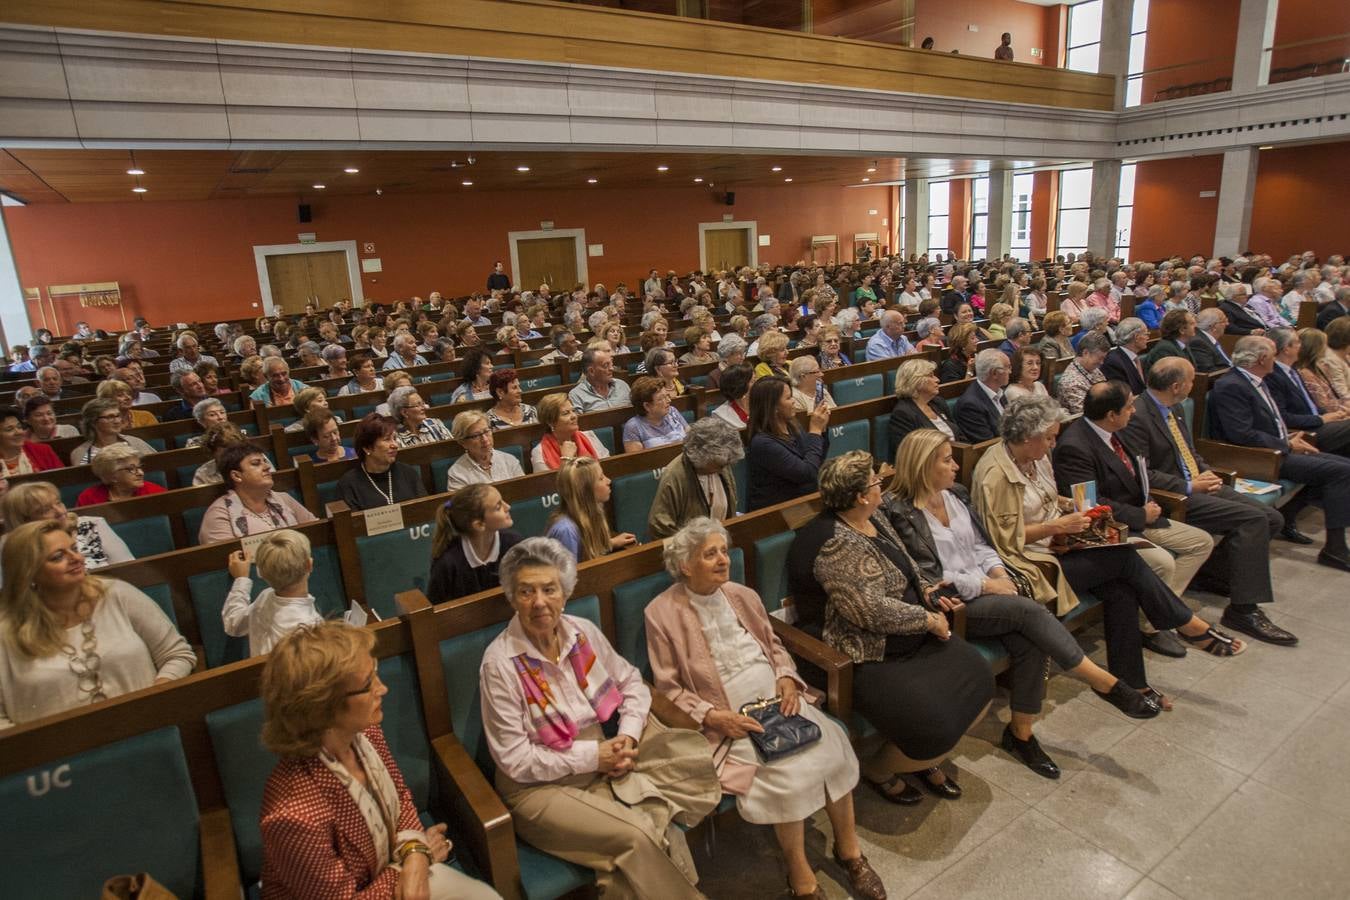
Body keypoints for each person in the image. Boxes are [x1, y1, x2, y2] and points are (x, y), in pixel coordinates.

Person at [886, 431, 1159, 776]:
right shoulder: (898, 511)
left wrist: (999, 573)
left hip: (989, 585)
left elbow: (982, 547)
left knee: (1031, 640)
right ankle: (1105, 683)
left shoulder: (955, 494)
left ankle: (1021, 733)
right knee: (1031, 612)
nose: (956, 466)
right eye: (946, 459)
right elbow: (931, 578)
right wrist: (990, 585)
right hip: (953, 604)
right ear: (923, 466)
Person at [646, 519, 884, 899]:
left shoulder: (741, 594)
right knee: (781, 772)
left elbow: (773, 646)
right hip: (728, 716)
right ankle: (799, 871)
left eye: (723, 551)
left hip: (778, 698)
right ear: (686, 565)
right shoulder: (661, 612)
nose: (723, 560)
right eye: (711, 554)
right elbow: (668, 687)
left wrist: (787, 677)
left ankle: (850, 851)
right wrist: (711, 716)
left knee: (833, 749)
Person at [479, 537, 720, 899]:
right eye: (527, 592)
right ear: (512, 598)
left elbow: (632, 684)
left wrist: (627, 737)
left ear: (566, 592)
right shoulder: (499, 664)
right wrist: (596, 756)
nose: (540, 602)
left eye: (549, 589)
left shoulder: (581, 632)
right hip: (537, 790)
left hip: (603, 764)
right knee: (636, 834)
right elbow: (515, 760)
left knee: (654, 823)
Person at [971, 396, 1242, 712]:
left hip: (1058, 544)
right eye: (1049, 438)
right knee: (1124, 558)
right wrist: (1056, 526)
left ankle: (1134, 682)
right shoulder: (996, 473)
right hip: (1031, 562)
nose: (1053, 445)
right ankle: (1186, 624)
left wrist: (1069, 507)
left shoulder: (1036, 457)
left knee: (1121, 589)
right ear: (1029, 437)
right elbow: (1003, 539)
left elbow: (1045, 498)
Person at [786, 451, 993, 804]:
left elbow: (904, 561)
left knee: (980, 680)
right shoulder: (834, 542)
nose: (882, 484)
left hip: (908, 631)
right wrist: (927, 620)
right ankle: (880, 769)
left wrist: (926, 588)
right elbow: (869, 611)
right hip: (866, 648)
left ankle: (920, 760)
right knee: (933, 724)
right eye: (875, 482)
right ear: (860, 496)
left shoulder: (873, 515)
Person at [258, 622, 500, 899]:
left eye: (376, 673)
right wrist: (415, 859)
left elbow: (401, 797)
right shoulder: (293, 815)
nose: (382, 688)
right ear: (322, 706)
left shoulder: (365, 733)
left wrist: (414, 853)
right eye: (368, 683)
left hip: (395, 866)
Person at [1122, 357, 1297, 645]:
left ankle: (1212, 574)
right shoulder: (1138, 415)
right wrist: (1191, 484)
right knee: (1253, 520)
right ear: (1177, 385)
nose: (1194, 385)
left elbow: (1188, 451)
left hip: (1198, 483)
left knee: (1272, 517)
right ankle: (1243, 610)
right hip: (1175, 496)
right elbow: (1143, 473)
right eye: (1191, 380)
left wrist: (1204, 472)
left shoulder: (1173, 407)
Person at [0, 520, 194, 727]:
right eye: (58, 557)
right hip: (56, 755)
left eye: (74, 548)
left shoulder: (118, 594)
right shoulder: (7, 632)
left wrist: (153, 699)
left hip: (144, 734)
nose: (76, 558)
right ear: (29, 572)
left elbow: (177, 655)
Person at [1053, 381, 1217, 602]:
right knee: (1163, 562)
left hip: (1140, 513)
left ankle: (1160, 614)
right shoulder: (1074, 447)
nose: (1134, 410)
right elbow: (1088, 504)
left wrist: (1149, 501)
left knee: (1201, 542)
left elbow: (1137, 471)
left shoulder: (1116, 431)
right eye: (1129, 406)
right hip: (1110, 527)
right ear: (1112, 414)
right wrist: (1141, 515)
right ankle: (1155, 623)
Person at [1208, 335, 1350, 571]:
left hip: (1278, 447)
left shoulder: (1257, 380)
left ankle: (1313, 530)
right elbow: (1241, 434)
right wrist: (1286, 444)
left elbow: (1272, 420)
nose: (1276, 360)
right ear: (1262, 359)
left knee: (1341, 466)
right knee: (1342, 472)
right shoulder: (1231, 386)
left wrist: (1287, 438)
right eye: (1273, 355)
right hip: (1258, 457)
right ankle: (1335, 549)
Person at [222, 530, 324, 657]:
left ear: (262, 573)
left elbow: (233, 623)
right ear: (309, 565)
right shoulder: (310, 628)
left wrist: (241, 580)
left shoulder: (266, 596)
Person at [0, 482, 132, 577]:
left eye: (58, 503)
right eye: (46, 510)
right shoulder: (10, 546)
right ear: (25, 520)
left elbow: (129, 569)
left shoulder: (92, 525)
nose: (60, 511)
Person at [199, 443, 317, 544]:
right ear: (236, 476)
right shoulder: (220, 515)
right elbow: (227, 562)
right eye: (256, 463)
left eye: (265, 462)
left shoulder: (283, 499)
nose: (267, 467)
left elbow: (316, 532)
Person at [426, 484, 523, 603]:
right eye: (498, 507)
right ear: (479, 525)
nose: (508, 506)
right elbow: (435, 609)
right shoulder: (447, 562)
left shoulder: (514, 543)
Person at [649, 418, 743, 539]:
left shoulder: (722, 463)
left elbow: (731, 507)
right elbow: (660, 527)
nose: (722, 469)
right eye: (719, 465)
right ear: (702, 456)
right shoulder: (675, 475)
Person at [746, 376, 830, 511]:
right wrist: (815, 431)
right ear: (773, 407)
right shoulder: (762, 443)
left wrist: (822, 429)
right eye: (788, 398)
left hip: (803, 503)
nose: (794, 401)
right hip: (778, 513)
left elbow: (816, 460)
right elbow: (806, 474)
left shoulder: (792, 426)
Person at [1264, 327, 1350, 455]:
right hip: (1304, 430)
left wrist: (1334, 415)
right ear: (1286, 349)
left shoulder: (1293, 371)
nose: (1301, 346)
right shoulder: (1272, 375)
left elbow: (1311, 404)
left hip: (1319, 423)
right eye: (1298, 342)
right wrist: (1321, 419)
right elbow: (1283, 417)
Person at [545, 457, 637, 561]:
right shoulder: (566, 531)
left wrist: (610, 544)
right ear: (585, 491)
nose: (609, 481)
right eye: (601, 478)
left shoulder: (590, 514)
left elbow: (587, 550)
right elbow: (568, 576)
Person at [338, 413, 426, 510]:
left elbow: (425, 511)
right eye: (387, 439)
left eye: (395, 439)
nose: (395, 445)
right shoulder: (349, 484)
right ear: (367, 448)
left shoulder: (409, 473)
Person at [888, 358, 965, 460]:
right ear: (916, 381)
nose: (937, 379)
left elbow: (960, 435)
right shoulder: (903, 414)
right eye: (931, 376)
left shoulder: (938, 402)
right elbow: (910, 455)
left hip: (955, 459)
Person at [531, 393, 610, 472]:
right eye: (566, 413)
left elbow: (607, 469)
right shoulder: (539, 452)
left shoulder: (589, 436)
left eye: (573, 411)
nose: (574, 416)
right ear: (551, 422)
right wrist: (567, 459)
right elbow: (548, 483)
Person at [69, 398, 156, 467]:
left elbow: (155, 468)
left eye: (118, 415)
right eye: (110, 417)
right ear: (93, 422)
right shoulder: (80, 453)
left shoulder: (135, 443)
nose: (117, 421)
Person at [75, 444, 167, 507]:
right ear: (111, 476)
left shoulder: (155, 493)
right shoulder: (89, 498)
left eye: (139, 467)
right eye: (131, 469)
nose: (140, 473)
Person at [953, 349, 1010, 442]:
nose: (1010, 371)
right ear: (994, 373)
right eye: (1008, 367)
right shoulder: (970, 405)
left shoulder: (999, 392)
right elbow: (986, 444)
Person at [621, 376, 688, 452]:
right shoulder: (634, 427)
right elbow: (637, 461)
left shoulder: (672, 411)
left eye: (667, 396)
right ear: (647, 406)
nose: (669, 400)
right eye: (661, 398)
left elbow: (691, 437)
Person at [1297, 327, 1350, 414]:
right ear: (1315, 348)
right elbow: (1323, 405)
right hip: (1331, 415)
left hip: (1340, 409)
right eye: (1324, 345)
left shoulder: (1318, 368)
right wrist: (1345, 408)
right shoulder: (1305, 373)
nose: (1327, 349)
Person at [1056, 331, 1110, 415]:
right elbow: (1088, 415)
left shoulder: (1092, 368)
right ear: (1085, 353)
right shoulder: (1071, 383)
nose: (1102, 362)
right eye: (1100, 358)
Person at [568, 347, 632, 413]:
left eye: (611, 364)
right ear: (591, 371)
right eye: (606, 365)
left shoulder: (622, 385)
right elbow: (577, 422)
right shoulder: (576, 395)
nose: (611, 369)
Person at [388, 386, 452, 447]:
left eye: (423, 403)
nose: (424, 407)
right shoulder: (395, 437)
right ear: (404, 412)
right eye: (418, 404)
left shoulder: (435, 423)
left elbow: (452, 447)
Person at [1101, 318, 1149, 394]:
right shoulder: (1113, 363)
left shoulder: (1134, 358)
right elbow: (1121, 397)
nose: (1148, 338)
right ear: (1136, 337)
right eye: (1146, 334)